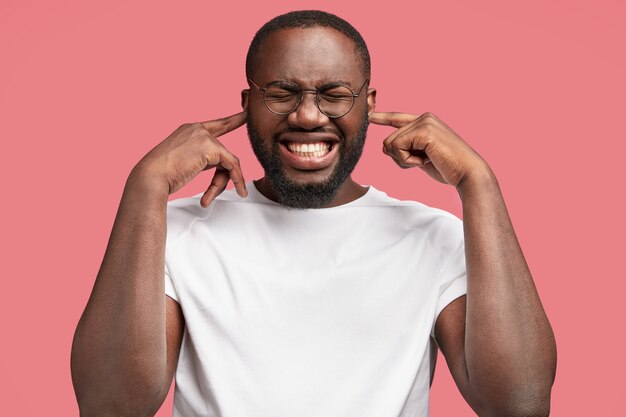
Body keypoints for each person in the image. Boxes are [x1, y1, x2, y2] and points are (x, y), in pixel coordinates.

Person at [71, 10, 556, 417]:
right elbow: (111, 406)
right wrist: (145, 188)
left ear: (368, 106)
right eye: (281, 93)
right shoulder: (175, 231)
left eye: (334, 94)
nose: (307, 115)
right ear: (247, 105)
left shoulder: (433, 236)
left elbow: (519, 404)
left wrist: (479, 185)